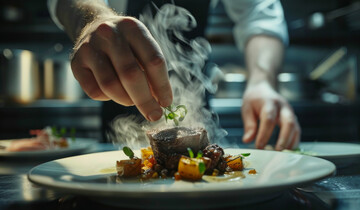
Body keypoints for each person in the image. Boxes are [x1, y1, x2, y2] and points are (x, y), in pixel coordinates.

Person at [47, 0, 301, 151]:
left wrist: (262, 81)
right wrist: (93, 19)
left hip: (199, 101)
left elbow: (258, 12)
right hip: (115, 99)